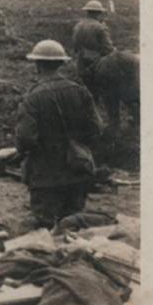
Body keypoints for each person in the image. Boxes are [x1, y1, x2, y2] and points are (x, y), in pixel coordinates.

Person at [16, 40, 103, 228]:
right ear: (61, 63)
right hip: (78, 170)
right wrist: (78, 146)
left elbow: (25, 139)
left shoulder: (32, 97)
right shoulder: (80, 91)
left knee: (43, 228)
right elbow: (96, 128)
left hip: (45, 176)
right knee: (74, 227)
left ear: (37, 65)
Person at [71, 0, 115, 102]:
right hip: (97, 64)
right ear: (98, 14)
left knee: (87, 89)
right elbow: (108, 49)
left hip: (81, 63)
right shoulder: (100, 27)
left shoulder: (78, 25)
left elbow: (75, 46)